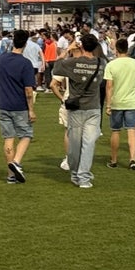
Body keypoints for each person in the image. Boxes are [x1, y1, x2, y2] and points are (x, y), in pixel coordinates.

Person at [50, 34, 105, 189]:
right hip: (93, 107)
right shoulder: (101, 63)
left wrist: (68, 49)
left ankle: (76, 174)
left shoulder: (73, 62)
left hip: (76, 108)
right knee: (88, 144)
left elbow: (57, 66)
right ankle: (83, 177)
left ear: (81, 46)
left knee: (75, 144)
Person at [0, 29, 36, 184]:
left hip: (2, 103)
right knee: (26, 135)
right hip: (19, 105)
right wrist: (31, 109)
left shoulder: (1, 59)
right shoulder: (25, 63)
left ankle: (11, 175)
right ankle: (16, 163)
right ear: (25, 43)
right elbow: (29, 90)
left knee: (8, 138)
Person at [104, 37, 135, 171]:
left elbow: (109, 86)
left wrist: (108, 104)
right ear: (127, 49)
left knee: (115, 131)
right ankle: (133, 159)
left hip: (117, 102)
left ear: (116, 49)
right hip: (131, 102)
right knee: (131, 129)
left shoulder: (111, 65)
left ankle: (114, 160)